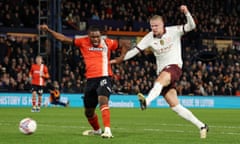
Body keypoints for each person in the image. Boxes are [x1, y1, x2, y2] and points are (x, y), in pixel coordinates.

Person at [111, 5, 209, 139]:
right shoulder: (149, 37)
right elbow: (134, 51)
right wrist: (119, 60)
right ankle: (202, 126)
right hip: (162, 71)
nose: (154, 28)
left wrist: (186, 12)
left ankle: (147, 101)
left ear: (163, 24)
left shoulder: (174, 31)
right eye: (152, 26)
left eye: (156, 26)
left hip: (174, 67)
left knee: (159, 81)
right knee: (175, 106)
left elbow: (191, 26)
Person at [38, 24, 129, 138]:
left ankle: (108, 130)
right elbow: (63, 39)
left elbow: (125, 43)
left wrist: (121, 57)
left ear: (100, 36)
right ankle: (97, 130)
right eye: (93, 37)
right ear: (89, 36)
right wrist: (48, 30)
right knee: (88, 112)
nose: (95, 39)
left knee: (103, 100)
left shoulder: (108, 42)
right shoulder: (83, 42)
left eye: (97, 37)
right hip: (90, 80)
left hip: (104, 76)